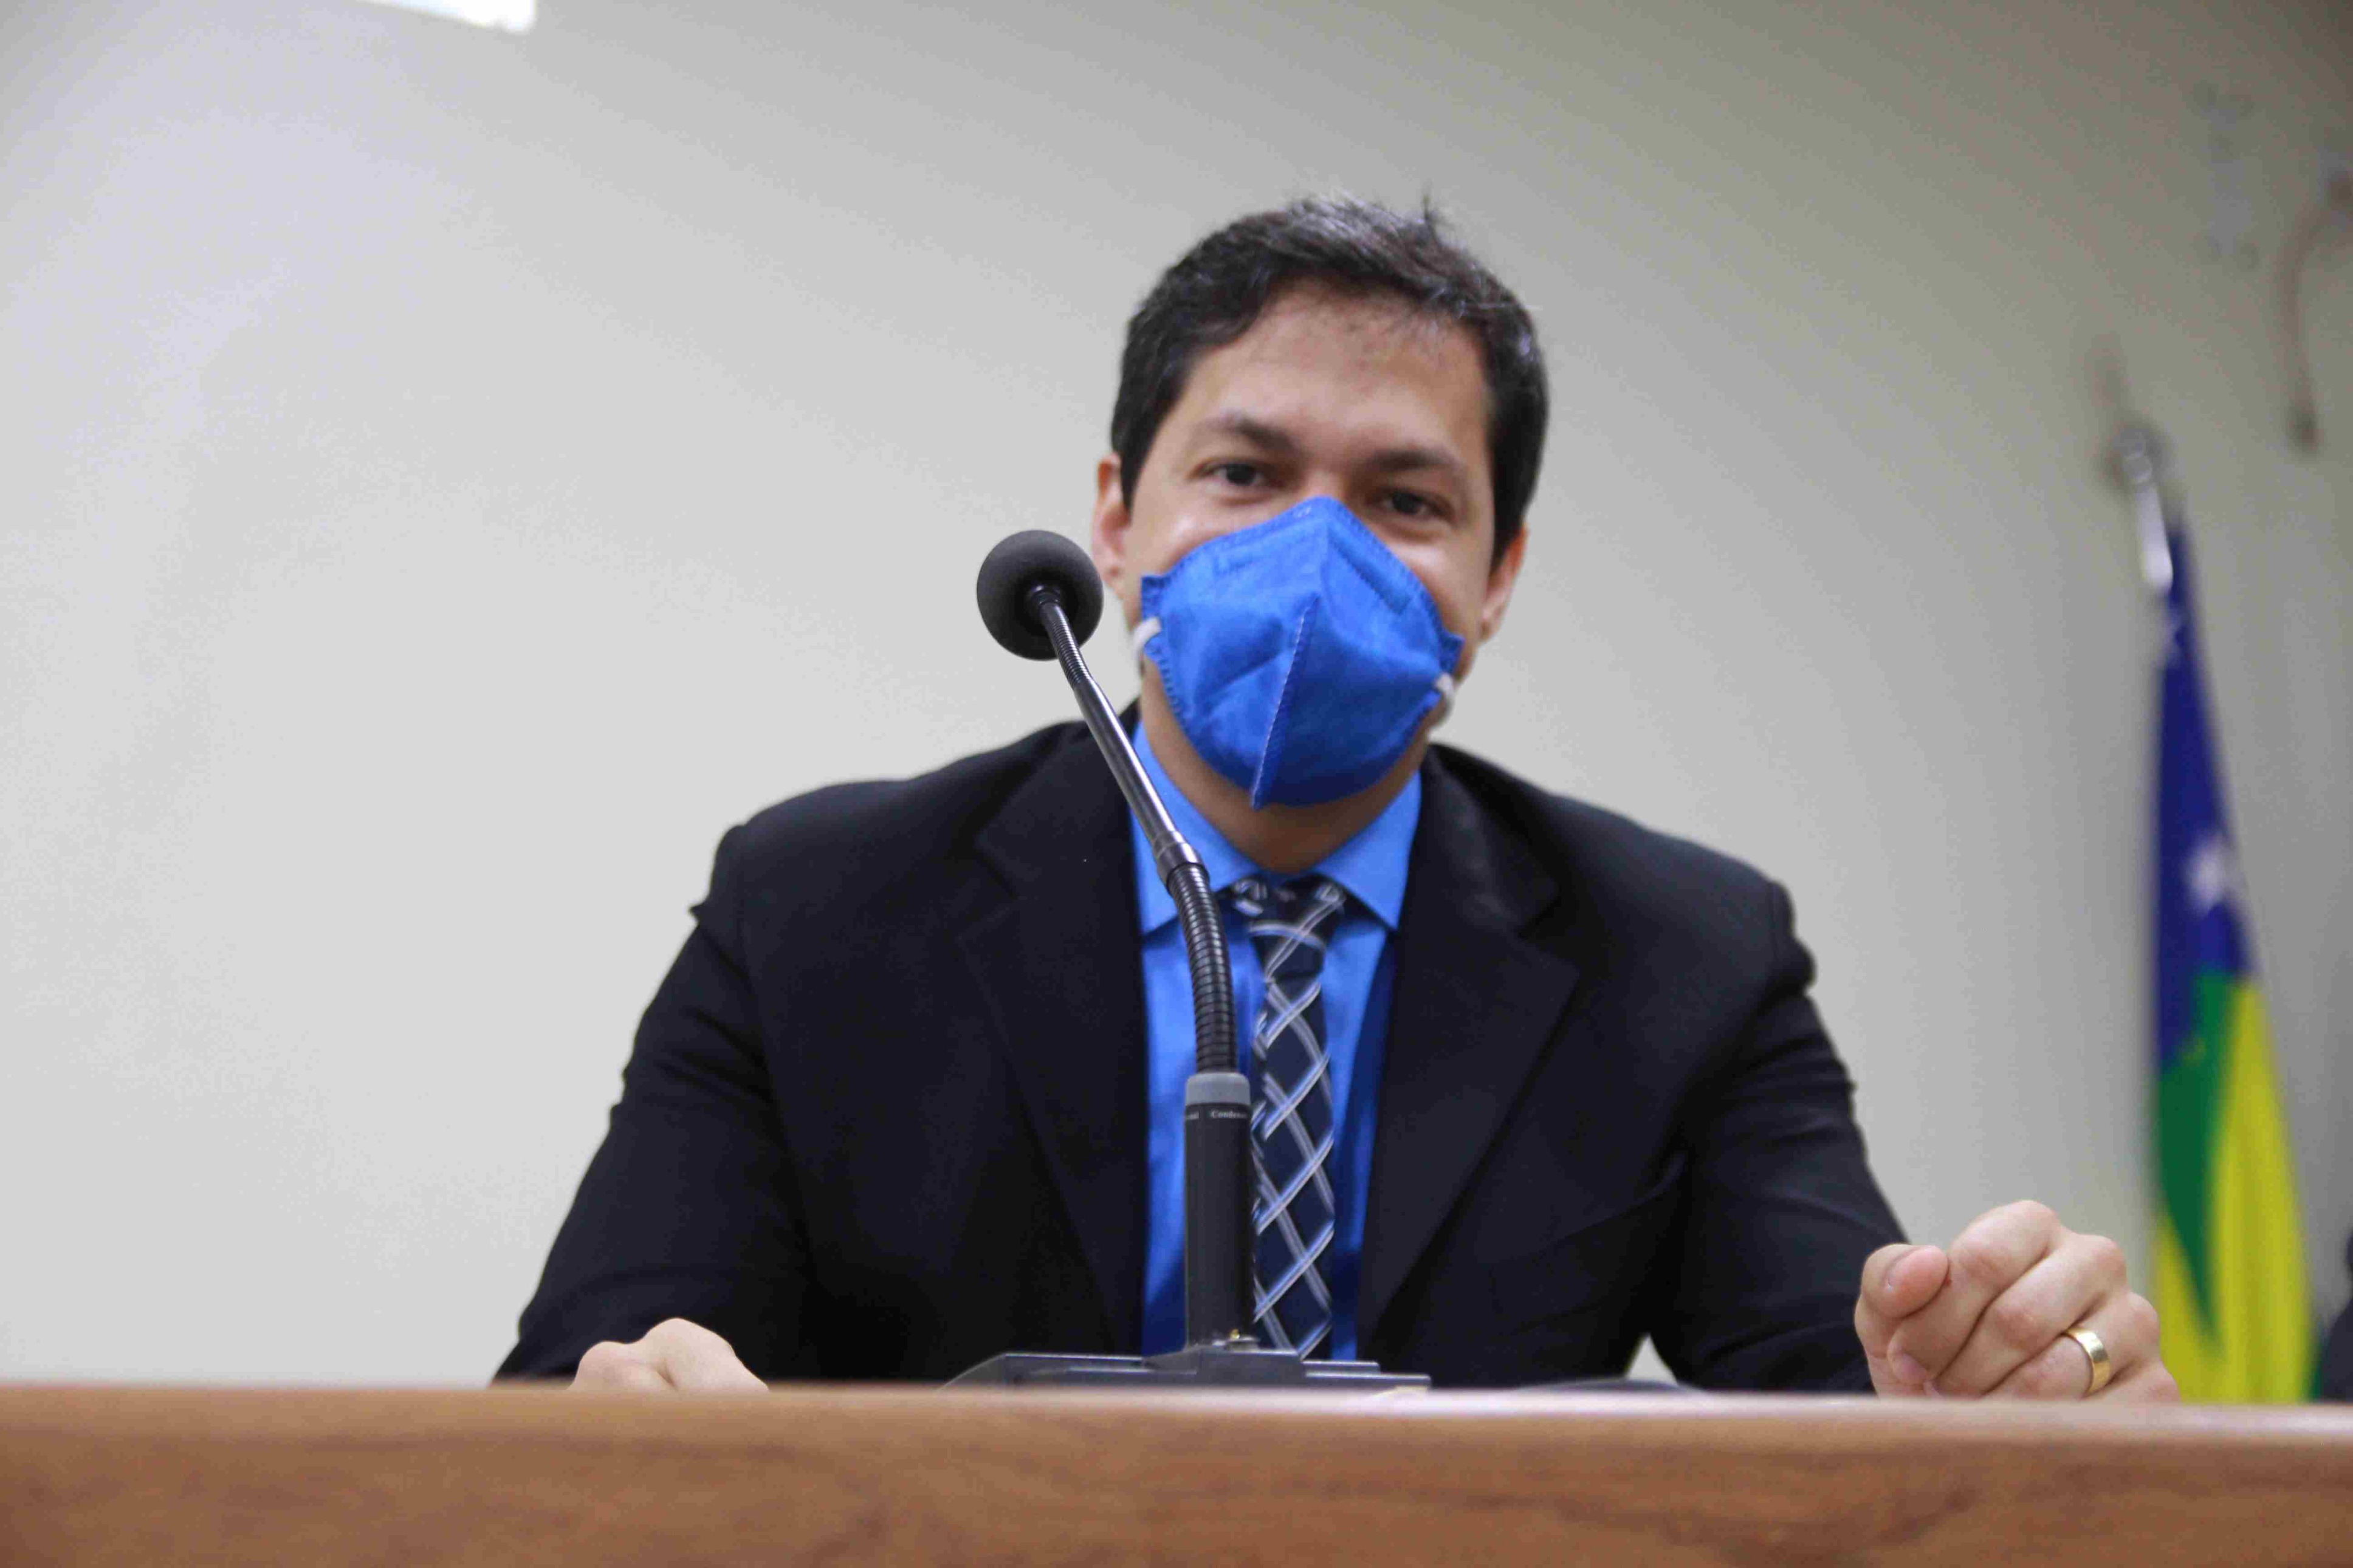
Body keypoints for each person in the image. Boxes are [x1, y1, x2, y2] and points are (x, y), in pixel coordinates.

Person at [500, 197, 2174, 1402]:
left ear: (1498, 576)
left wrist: (1999, 1377)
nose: (1316, 552)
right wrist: (639, 1406)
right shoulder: (818, 905)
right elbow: (587, 1382)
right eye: (1244, 473)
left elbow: (1849, 1394)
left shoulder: (1687, 952)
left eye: (1404, 499)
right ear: (1118, 520)